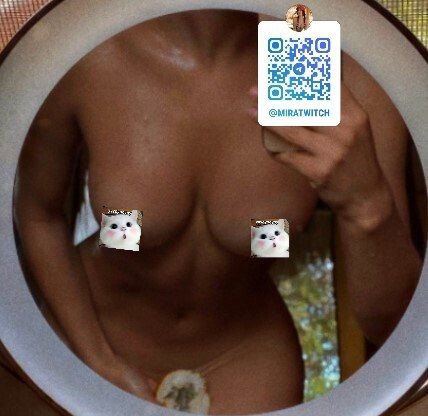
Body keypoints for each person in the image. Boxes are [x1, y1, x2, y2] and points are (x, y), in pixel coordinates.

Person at [14, 10, 422, 415]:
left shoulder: (337, 64)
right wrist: (97, 360)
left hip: (245, 360)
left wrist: (367, 206)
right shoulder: (86, 49)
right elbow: (38, 216)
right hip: (93, 336)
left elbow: (392, 328)